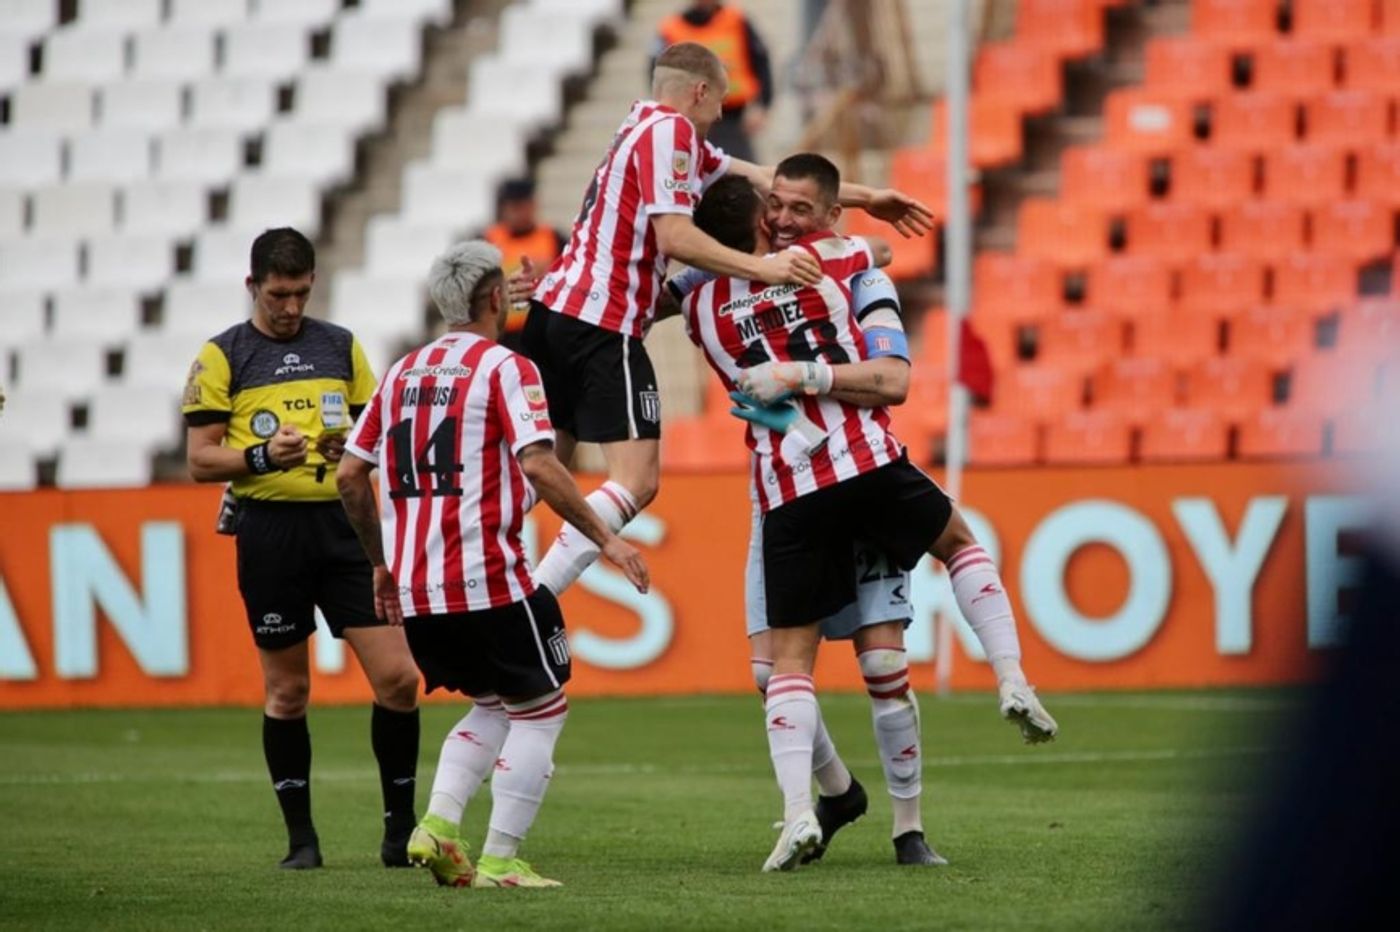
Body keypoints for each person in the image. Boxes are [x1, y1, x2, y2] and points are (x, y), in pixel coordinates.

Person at [676, 157, 1057, 872]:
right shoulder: (837, 257)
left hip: (788, 488)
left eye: (796, 207)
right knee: (955, 548)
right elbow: (873, 253)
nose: (784, 217)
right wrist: (866, 204)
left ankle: (845, 820)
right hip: (863, 465)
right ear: (763, 216)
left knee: (817, 665)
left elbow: (670, 263)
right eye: (775, 207)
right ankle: (1008, 675)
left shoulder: (697, 305)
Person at [521, 41, 934, 614]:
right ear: (699, 91)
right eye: (720, 103)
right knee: (636, 481)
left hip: (555, 313)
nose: (722, 116)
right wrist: (764, 267)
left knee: (544, 468)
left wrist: (868, 198)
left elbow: (772, 178)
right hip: (602, 321)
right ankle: (532, 605)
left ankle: (476, 573)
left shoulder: (641, 128)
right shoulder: (671, 133)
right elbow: (675, 238)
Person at [336, 241, 650, 890]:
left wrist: (381, 564)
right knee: (542, 709)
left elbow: (348, 476)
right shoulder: (507, 369)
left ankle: (438, 828)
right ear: (492, 300)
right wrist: (607, 538)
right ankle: (504, 859)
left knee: (491, 705)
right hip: (490, 579)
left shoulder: (398, 373)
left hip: (419, 589)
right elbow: (539, 463)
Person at [182, 227, 422, 871]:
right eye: (277, 294)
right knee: (288, 692)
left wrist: (355, 450)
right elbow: (201, 461)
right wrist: (261, 454)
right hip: (271, 534)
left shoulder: (341, 346)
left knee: (400, 679)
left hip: (345, 530)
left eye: (300, 293)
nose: (290, 307)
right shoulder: (222, 355)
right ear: (252, 286)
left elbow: (377, 435)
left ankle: (401, 835)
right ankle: (302, 842)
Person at [653, 1, 773, 162]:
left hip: (733, 118)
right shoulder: (672, 28)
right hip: (689, 118)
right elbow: (657, 72)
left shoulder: (736, 20)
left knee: (740, 177)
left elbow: (761, 60)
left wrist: (762, 105)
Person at [478, 179, 566, 352]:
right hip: (502, 334)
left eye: (522, 206)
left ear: (533, 205)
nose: (518, 213)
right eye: (513, 207)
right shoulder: (488, 240)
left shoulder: (553, 238)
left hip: (542, 332)